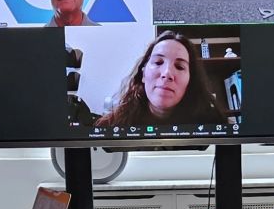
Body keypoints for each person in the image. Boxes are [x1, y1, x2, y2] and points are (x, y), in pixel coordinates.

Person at [91, 30, 232, 132]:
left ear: (190, 80)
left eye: (179, 66)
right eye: (158, 62)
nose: (167, 74)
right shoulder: (110, 126)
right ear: (143, 74)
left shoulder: (213, 127)